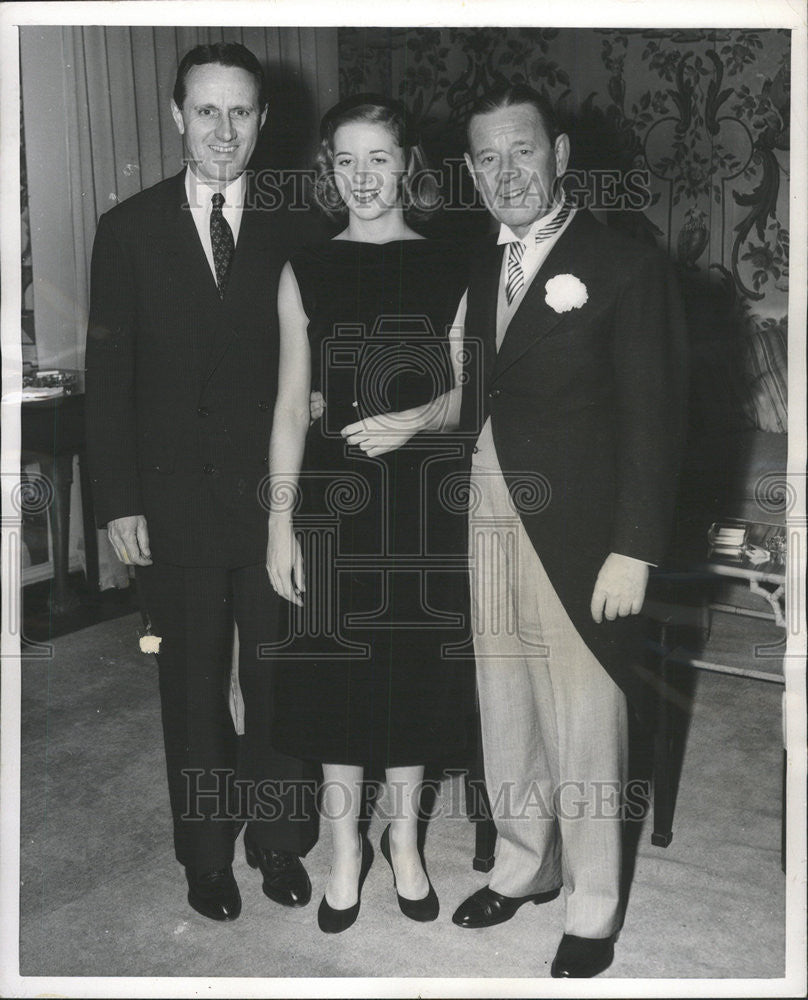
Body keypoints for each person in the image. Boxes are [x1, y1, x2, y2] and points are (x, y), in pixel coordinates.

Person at [450, 84, 688, 977]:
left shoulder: (625, 265)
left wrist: (635, 545)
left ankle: (592, 904)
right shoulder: (480, 262)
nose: (506, 174)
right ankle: (524, 864)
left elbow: (654, 421)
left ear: (559, 154)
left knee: (586, 719)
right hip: (489, 510)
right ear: (470, 172)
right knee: (506, 701)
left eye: (521, 152)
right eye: (486, 159)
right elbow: (481, 386)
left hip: (585, 531)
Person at [84, 42, 318, 923]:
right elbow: (110, 379)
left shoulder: (300, 225)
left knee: (277, 678)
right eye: (208, 112)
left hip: (274, 509)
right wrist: (118, 500)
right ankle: (207, 857)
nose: (225, 130)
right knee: (190, 691)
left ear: (264, 120)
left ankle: (279, 845)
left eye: (243, 112)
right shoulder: (129, 229)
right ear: (177, 116)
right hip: (173, 504)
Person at [265, 93, 472, 933]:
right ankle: (346, 845)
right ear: (328, 170)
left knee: (416, 670)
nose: (362, 178)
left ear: (407, 165)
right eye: (345, 162)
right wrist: (279, 520)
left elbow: (466, 396)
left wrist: (417, 418)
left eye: (378, 159)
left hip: (423, 498)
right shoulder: (305, 268)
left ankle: (406, 840)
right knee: (340, 673)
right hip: (332, 498)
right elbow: (287, 406)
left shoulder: (454, 263)